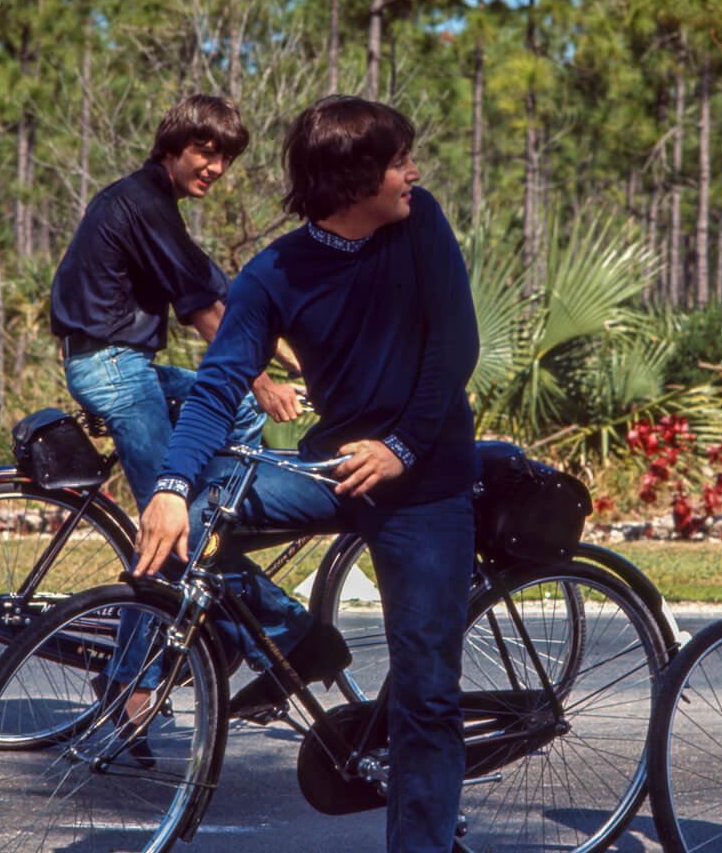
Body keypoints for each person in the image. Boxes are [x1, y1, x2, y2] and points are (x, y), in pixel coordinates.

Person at [135, 95, 480, 853]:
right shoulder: (275, 273)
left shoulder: (420, 225)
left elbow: (454, 349)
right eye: (398, 162)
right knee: (200, 507)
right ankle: (295, 640)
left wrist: (402, 447)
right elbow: (221, 380)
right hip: (333, 466)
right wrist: (169, 487)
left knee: (426, 692)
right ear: (354, 180)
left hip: (427, 478)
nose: (412, 173)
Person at [49, 93, 301, 736]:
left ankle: (215, 549)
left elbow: (215, 289)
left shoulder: (152, 204)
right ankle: (156, 675)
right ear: (173, 147)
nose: (215, 168)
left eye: (225, 159)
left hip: (123, 362)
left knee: (236, 422)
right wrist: (264, 377)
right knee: (175, 521)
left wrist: (291, 353)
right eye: (205, 152)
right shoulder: (142, 203)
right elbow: (202, 310)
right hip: (113, 368)